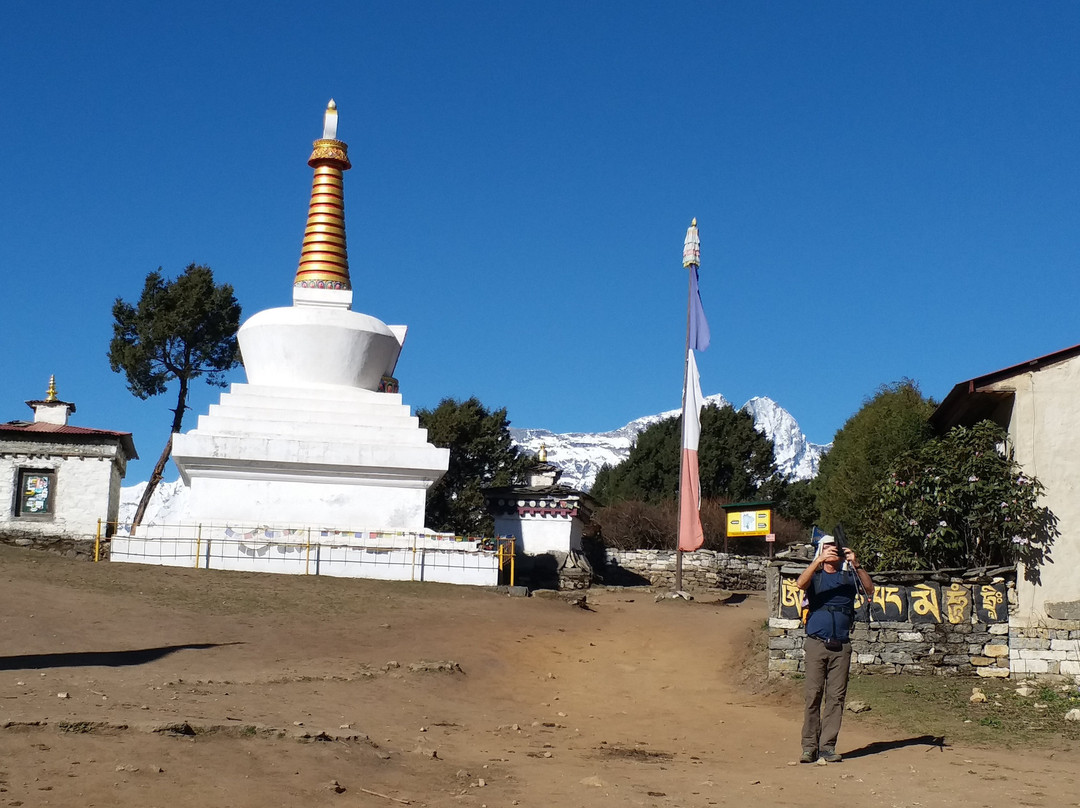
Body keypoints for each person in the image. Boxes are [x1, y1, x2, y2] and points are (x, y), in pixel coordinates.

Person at [796, 533, 874, 763]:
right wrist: (817, 561)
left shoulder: (849, 577)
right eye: (829, 548)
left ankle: (827, 747)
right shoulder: (816, 576)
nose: (834, 551)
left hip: (841, 645)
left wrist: (856, 564)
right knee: (813, 695)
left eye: (837, 548)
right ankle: (809, 747)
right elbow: (800, 584)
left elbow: (869, 590)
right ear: (821, 550)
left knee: (836, 697)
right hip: (816, 643)